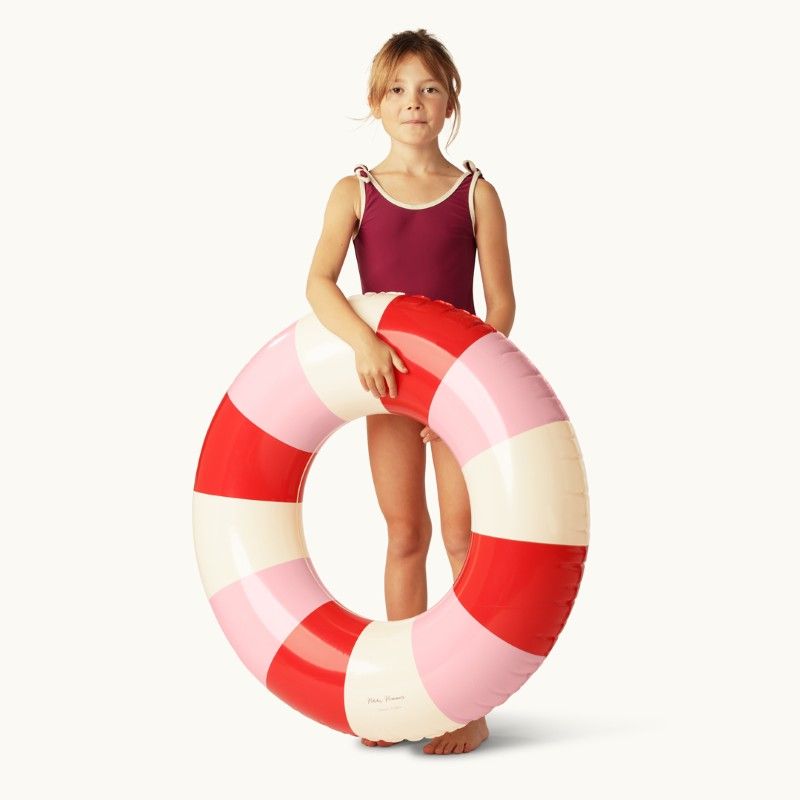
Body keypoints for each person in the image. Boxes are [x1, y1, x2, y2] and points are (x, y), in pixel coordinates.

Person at [305, 29, 515, 755]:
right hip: (390, 386)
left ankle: (470, 702)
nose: (413, 102)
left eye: (428, 89)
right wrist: (363, 345)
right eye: (397, 90)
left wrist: (463, 391)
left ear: (450, 101)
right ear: (376, 102)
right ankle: (404, 697)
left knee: (461, 539)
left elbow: (501, 305)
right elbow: (320, 284)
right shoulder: (354, 192)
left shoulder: (477, 193)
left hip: (458, 393)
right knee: (405, 534)